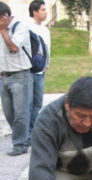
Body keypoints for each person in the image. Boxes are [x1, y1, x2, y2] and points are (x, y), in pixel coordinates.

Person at [0, 1, 32, 156]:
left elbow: (13, 48)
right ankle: (24, 138)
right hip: (4, 76)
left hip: (20, 76)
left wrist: (3, 30)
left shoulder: (20, 26)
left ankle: (20, 144)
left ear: (5, 16)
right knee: (9, 113)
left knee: (20, 113)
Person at [28, 0, 51, 136]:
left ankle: (34, 131)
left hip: (41, 71)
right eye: (43, 10)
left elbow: (48, 49)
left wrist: (47, 64)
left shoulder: (45, 29)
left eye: (45, 9)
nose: (45, 12)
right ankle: (28, 132)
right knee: (28, 104)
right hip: (29, 70)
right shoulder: (26, 27)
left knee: (37, 102)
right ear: (34, 11)